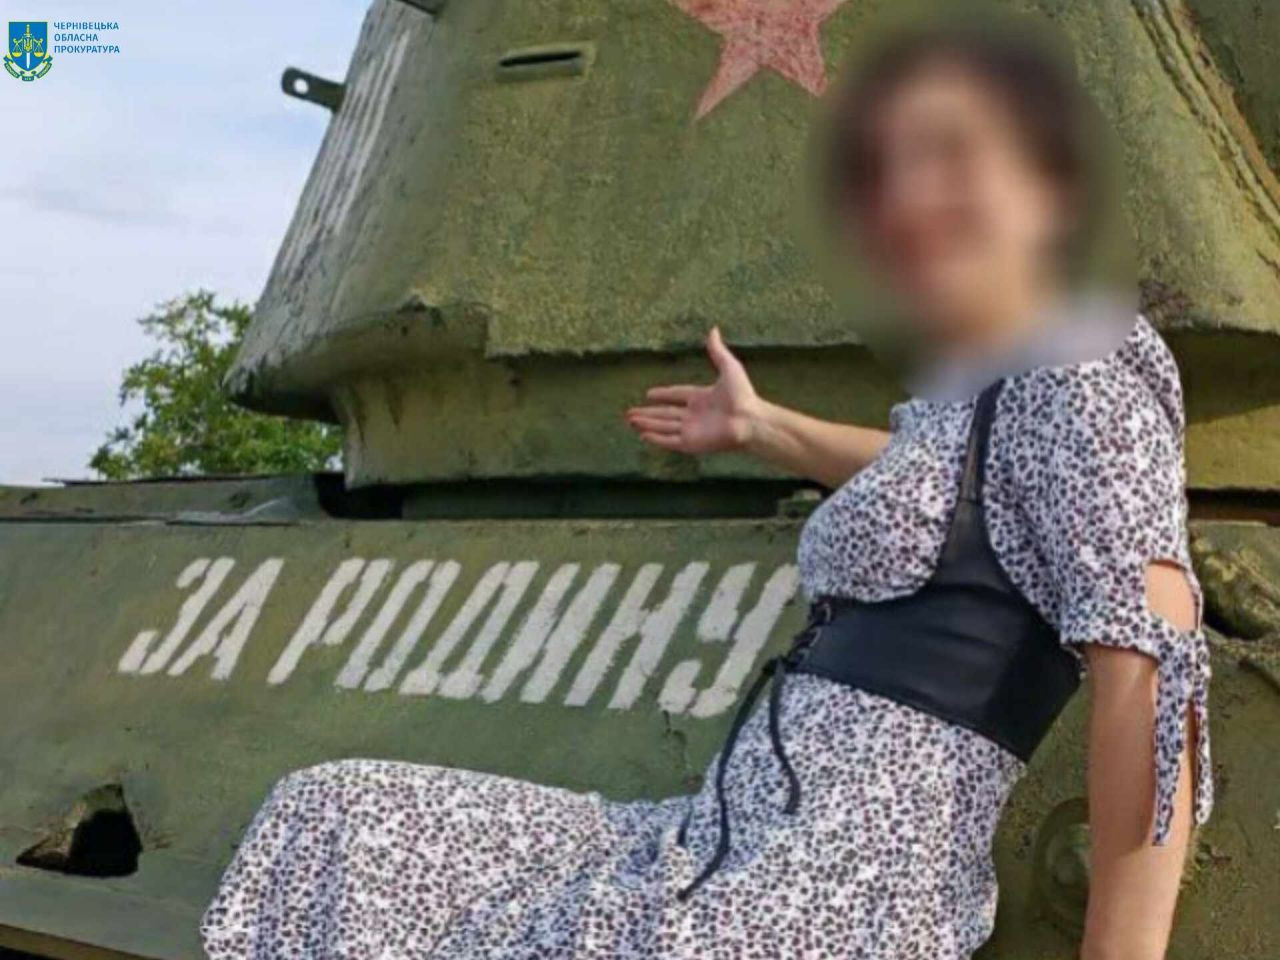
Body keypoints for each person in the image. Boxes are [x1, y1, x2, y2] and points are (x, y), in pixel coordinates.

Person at [200, 12, 1212, 960]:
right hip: (725, 835)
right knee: (333, 815)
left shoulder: (1082, 369)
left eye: (953, 156)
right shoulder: (990, 392)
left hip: (831, 890)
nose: (908, 198)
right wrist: (764, 428)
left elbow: (1152, 687)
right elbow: (960, 494)